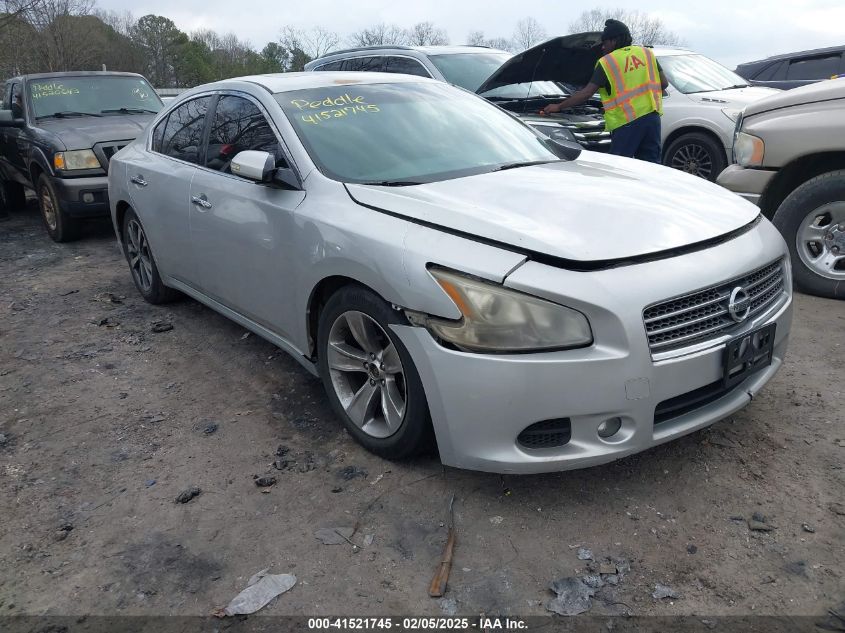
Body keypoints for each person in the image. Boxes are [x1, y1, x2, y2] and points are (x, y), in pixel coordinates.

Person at [540, 19, 669, 163]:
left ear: (614, 41)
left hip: (627, 122)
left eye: (604, 42)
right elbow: (664, 83)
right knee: (651, 167)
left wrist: (558, 106)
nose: (602, 47)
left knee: (618, 167)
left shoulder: (608, 62)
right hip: (652, 119)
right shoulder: (646, 53)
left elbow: (586, 94)